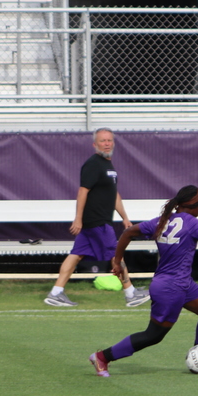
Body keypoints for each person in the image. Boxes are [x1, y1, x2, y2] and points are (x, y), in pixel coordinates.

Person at [89, 185, 198, 377]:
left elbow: (128, 233)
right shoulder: (192, 223)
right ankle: (102, 357)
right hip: (170, 287)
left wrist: (117, 261)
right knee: (153, 335)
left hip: (182, 284)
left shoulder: (162, 221)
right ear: (194, 206)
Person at [44, 128, 151, 308]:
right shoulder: (93, 164)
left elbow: (114, 194)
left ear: (114, 143)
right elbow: (82, 191)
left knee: (76, 255)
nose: (107, 143)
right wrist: (78, 218)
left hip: (98, 222)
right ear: (95, 144)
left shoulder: (109, 166)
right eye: (103, 141)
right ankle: (131, 293)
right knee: (116, 255)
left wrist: (124, 217)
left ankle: (55, 293)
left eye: (109, 140)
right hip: (96, 221)